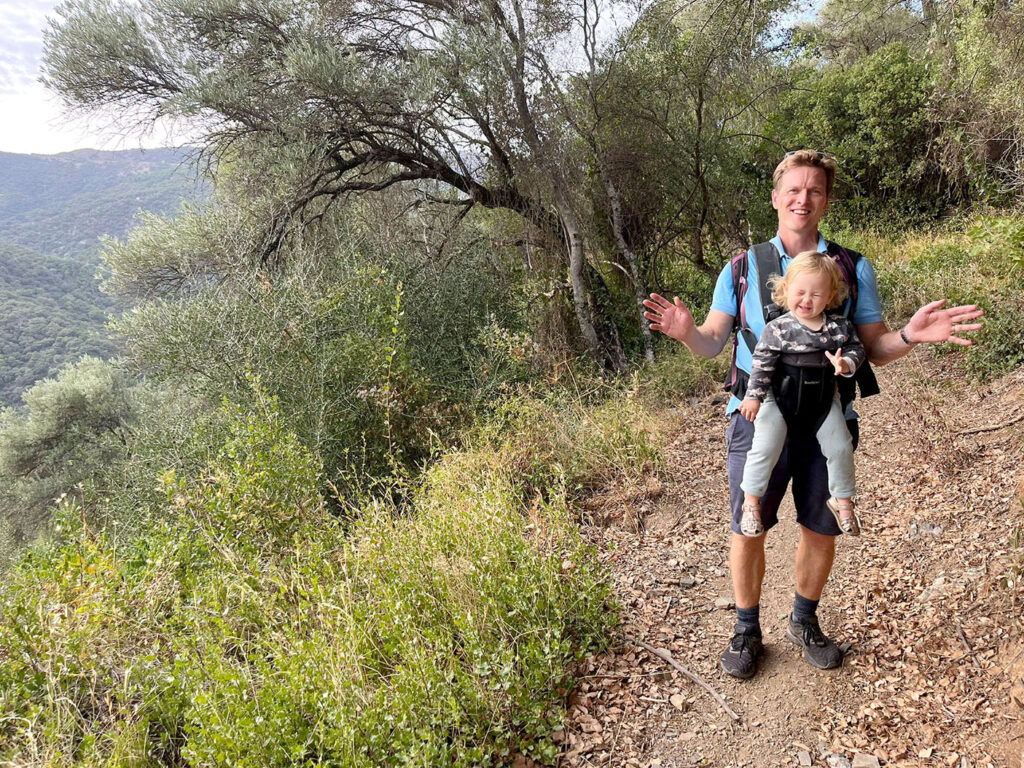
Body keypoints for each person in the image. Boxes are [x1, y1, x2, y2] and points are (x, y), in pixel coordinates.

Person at [641, 150, 983, 679]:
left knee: (820, 527)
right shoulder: (739, 268)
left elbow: (873, 346)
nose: (803, 199)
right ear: (776, 198)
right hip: (757, 419)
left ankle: (804, 621)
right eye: (794, 190)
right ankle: (747, 629)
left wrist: (912, 334)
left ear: (826, 200)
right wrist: (687, 330)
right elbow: (713, 343)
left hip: (827, 414)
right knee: (747, 527)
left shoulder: (849, 266)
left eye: (815, 191)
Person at [738, 251, 865, 540]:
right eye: (800, 292)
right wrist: (753, 396)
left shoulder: (838, 328)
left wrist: (845, 363)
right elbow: (762, 364)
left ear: (831, 295)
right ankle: (751, 502)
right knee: (765, 446)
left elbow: (857, 350)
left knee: (841, 446)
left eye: (816, 294)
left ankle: (843, 500)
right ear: (786, 290)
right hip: (779, 400)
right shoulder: (778, 329)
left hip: (823, 400)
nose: (807, 300)